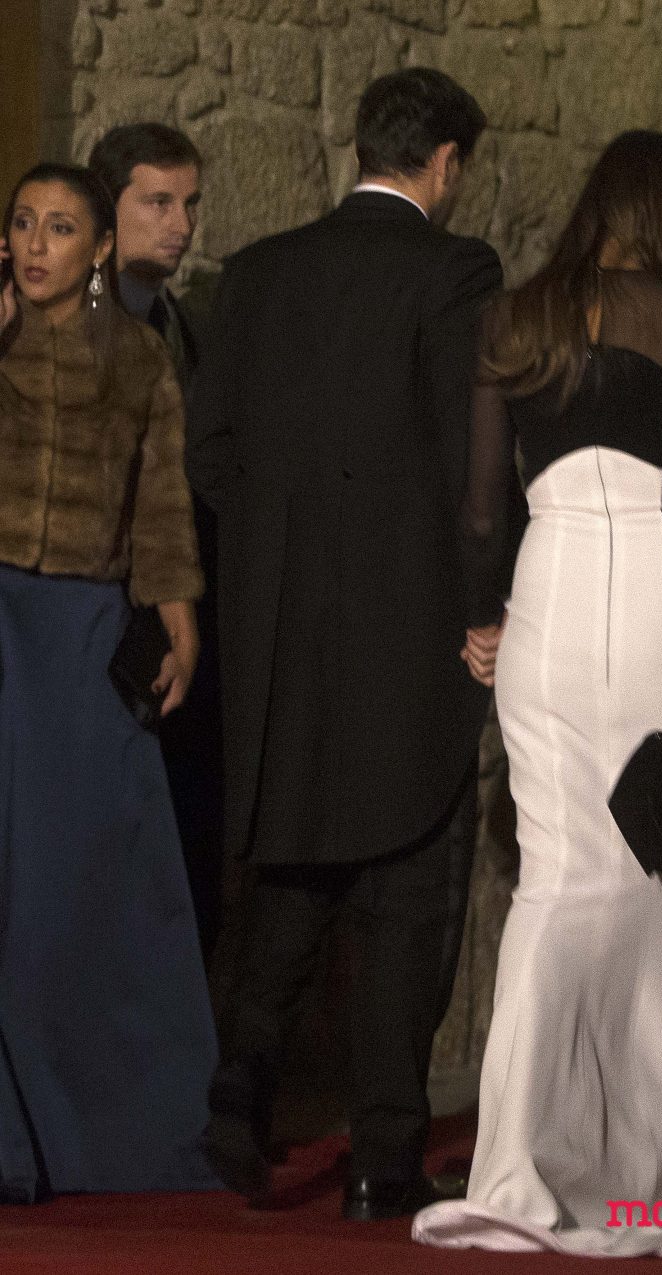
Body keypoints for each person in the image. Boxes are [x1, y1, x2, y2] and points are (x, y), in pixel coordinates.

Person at [412, 131, 662, 1259]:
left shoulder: (512, 318)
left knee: (556, 880)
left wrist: (484, 618)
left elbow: (481, 509)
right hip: (657, 601)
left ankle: (515, 1171)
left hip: (547, 596)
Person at [187, 67, 511, 1219]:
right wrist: (486, 607)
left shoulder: (255, 275)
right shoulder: (455, 273)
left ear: (362, 147)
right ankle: (382, 1158)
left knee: (290, 874)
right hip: (410, 632)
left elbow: (210, 455)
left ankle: (236, 1101)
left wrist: (276, 564)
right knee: (409, 889)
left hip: (279, 636)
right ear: (446, 164)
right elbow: (474, 467)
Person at [0, 163, 218, 1200]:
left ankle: (100, 1125)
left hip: (82, 633)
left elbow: (163, 503)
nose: (36, 244)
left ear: (96, 250)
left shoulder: (137, 358)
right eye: (23, 224)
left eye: (60, 228)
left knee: (80, 876)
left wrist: (178, 615)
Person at [89, 123, 224, 964]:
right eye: (159, 202)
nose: (181, 224)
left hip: (174, 636)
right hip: (83, 631)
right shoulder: (58, 325)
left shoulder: (191, 330)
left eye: (190, 203)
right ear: (109, 208)